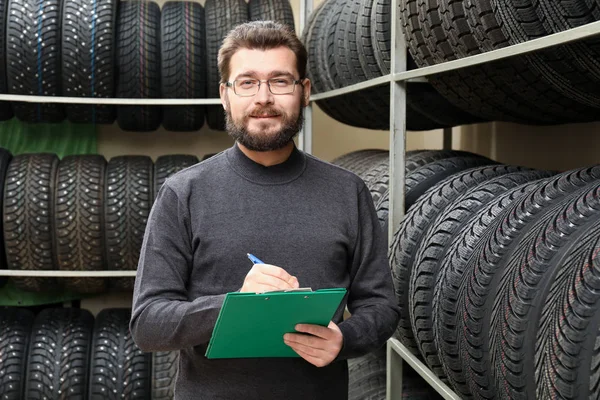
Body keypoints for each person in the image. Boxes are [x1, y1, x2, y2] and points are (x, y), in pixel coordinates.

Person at [130, 20, 400, 400]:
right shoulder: (183, 193)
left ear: (304, 92)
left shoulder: (347, 191)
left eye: (280, 81)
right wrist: (234, 306)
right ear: (225, 95)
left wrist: (345, 338)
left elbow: (381, 306)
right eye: (247, 82)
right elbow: (148, 324)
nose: (264, 97)